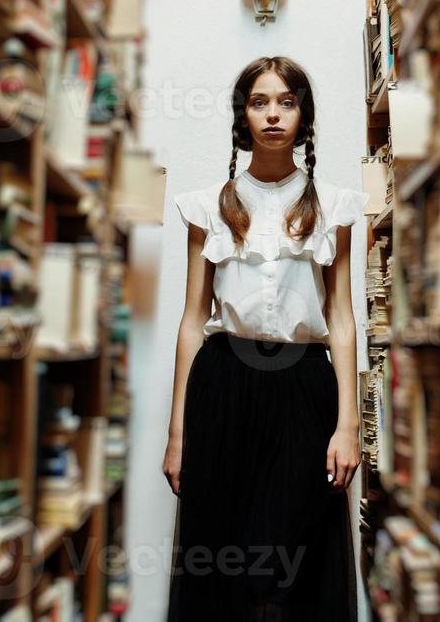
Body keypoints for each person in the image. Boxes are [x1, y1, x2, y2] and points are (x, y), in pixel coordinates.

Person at [164, 56, 369, 622]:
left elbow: (342, 317)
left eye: (286, 101)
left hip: (305, 386)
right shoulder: (208, 206)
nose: (273, 114)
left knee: (297, 560)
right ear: (242, 116)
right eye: (259, 102)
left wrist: (347, 426)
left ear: (304, 115)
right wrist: (178, 434)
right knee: (221, 557)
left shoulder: (335, 206)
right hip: (224, 382)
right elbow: (190, 320)